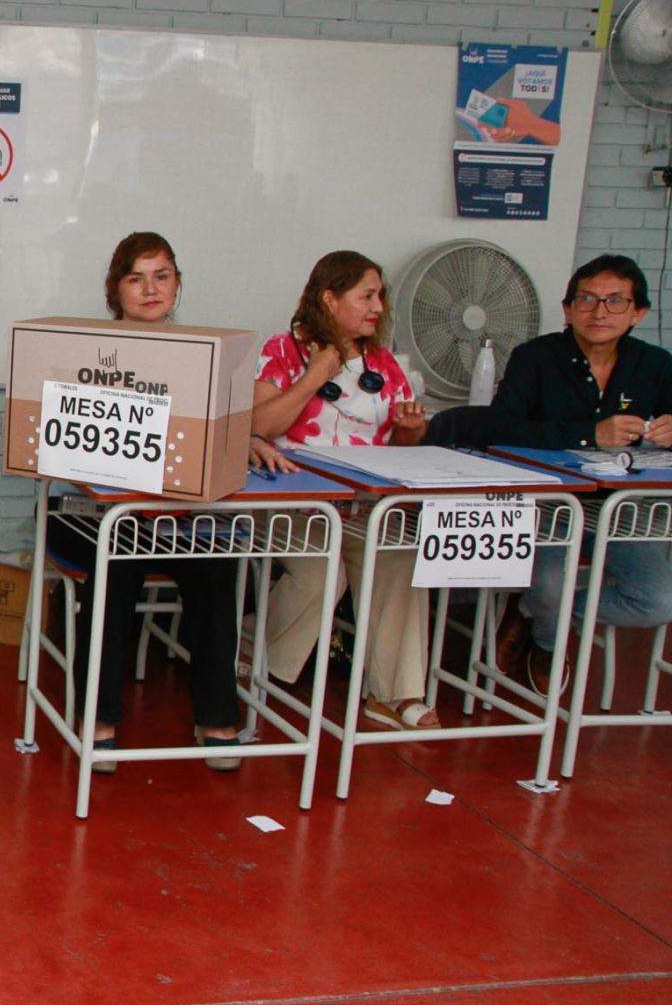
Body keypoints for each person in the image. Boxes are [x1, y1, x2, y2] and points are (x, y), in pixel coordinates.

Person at [47, 233, 291, 773]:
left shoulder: (205, 354)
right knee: (117, 567)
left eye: (162, 275)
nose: (150, 288)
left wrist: (244, 438)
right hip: (93, 517)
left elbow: (217, 428)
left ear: (178, 283)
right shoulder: (85, 351)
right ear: (116, 290)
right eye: (136, 277)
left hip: (177, 520)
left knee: (217, 565)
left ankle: (216, 717)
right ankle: (98, 717)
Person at [251, 250, 436, 731]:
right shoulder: (284, 349)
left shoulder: (383, 362)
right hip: (294, 497)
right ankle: (264, 665)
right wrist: (316, 374)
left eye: (380, 296)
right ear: (330, 299)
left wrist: (411, 428)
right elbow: (261, 424)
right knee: (321, 571)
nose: (377, 307)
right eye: (366, 296)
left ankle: (394, 694)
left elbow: (400, 445)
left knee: (400, 555)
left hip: (363, 504)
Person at [491, 253, 672, 692]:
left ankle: (534, 612)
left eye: (615, 301)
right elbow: (499, 429)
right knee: (550, 583)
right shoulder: (534, 358)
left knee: (657, 601)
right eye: (587, 300)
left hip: (620, 507)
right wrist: (590, 434)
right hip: (552, 503)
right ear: (568, 308)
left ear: (638, 313)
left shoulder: (656, 363)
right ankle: (549, 643)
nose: (599, 312)